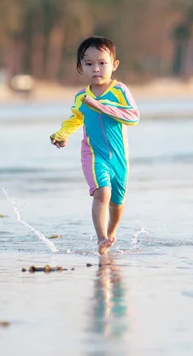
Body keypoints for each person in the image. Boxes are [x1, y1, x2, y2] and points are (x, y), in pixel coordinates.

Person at [50, 36, 140, 255]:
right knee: (102, 192)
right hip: (93, 154)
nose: (96, 69)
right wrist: (62, 134)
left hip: (119, 157)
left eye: (102, 63)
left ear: (114, 65)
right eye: (89, 64)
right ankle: (101, 240)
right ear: (80, 67)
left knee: (117, 203)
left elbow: (133, 117)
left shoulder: (119, 90)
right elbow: (75, 119)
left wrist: (102, 106)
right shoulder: (82, 97)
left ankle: (111, 233)